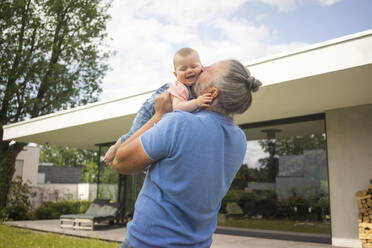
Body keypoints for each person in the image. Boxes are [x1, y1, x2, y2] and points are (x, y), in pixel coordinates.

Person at [109, 59, 262, 248]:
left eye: (209, 70)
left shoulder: (179, 123)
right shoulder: (239, 139)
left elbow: (120, 161)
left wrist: (158, 116)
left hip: (149, 242)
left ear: (212, 93)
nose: (201, 68)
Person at [104, 48, 211, 165]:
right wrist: (196, 102)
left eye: (194, 66)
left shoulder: (201, 76)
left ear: (201, 67)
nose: (189, 71)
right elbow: (177, 107)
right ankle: (116, 149)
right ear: (175, 74)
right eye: (183, 69)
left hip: (160, 107)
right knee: (135, 134)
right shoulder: (180, 87)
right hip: (150, 110)